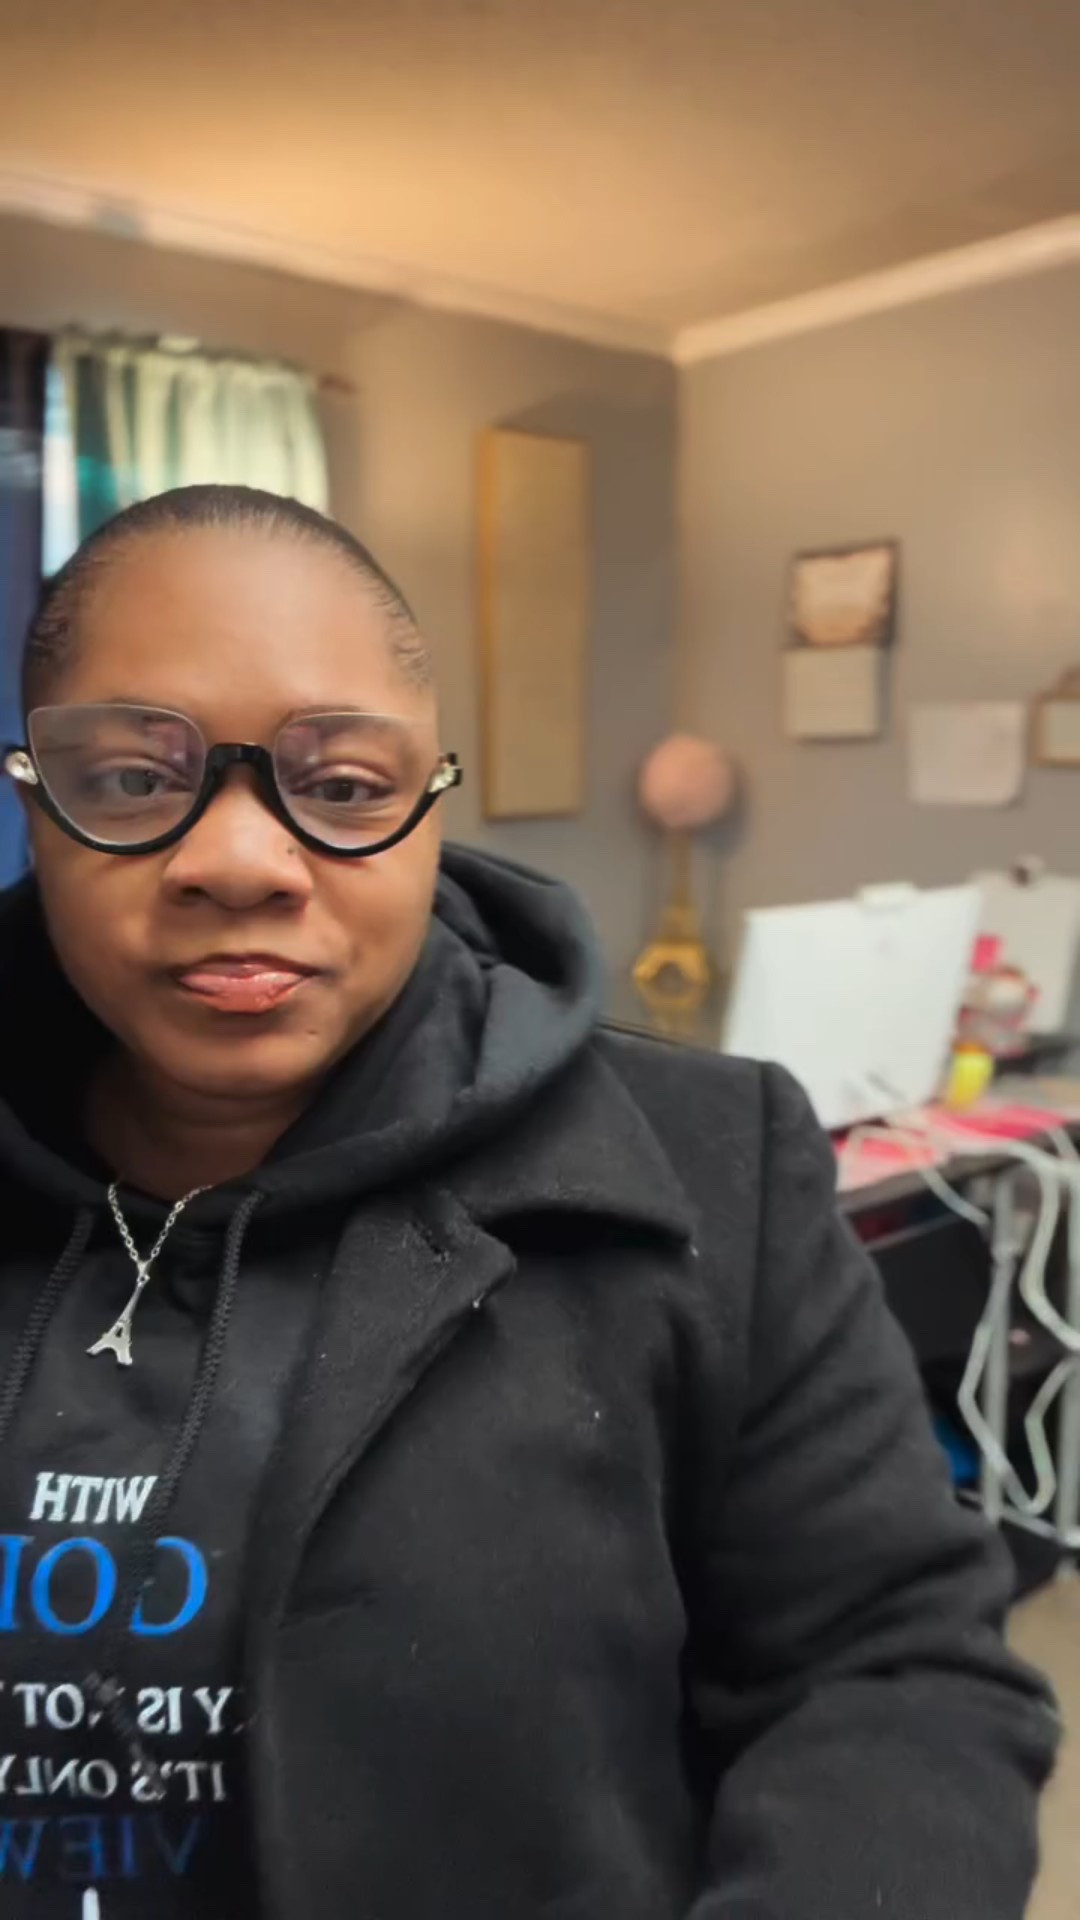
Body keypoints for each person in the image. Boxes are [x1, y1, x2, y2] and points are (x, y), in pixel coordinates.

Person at [0, 484, 1055, 1920]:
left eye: (346, 787)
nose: (239, 861)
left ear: (433, 801)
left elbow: (892, 1671)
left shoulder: (710, 1168)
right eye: (129, 778)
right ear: (34, 799)